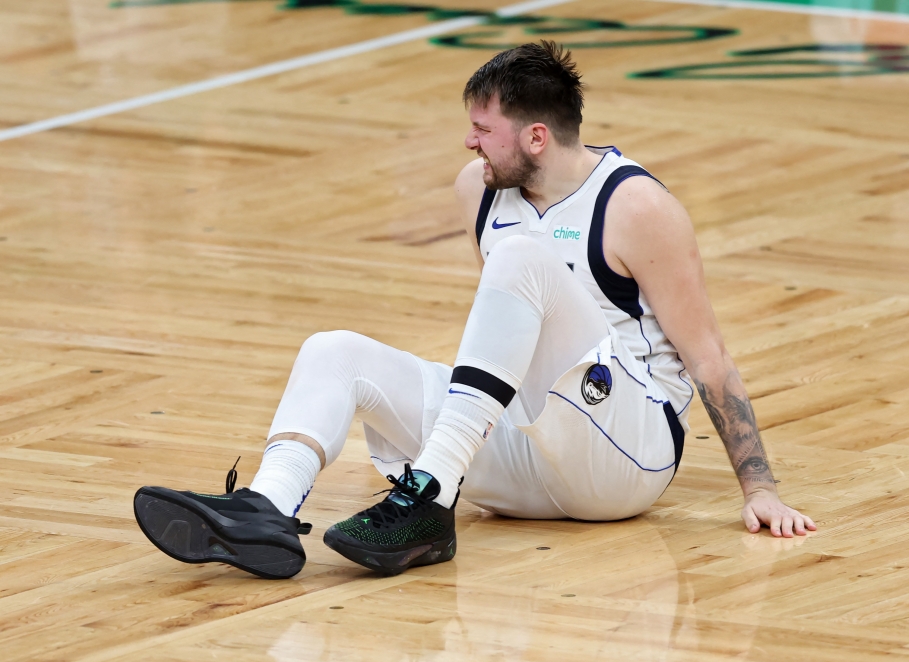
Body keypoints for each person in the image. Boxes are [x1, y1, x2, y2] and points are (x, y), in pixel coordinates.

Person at [133, 41, 816, 580]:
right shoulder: (478, 190)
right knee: (333, 349)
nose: (470, 143)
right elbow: (506, 341)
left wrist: (759, 489)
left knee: (524, 257)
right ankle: (268, 511)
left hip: (623, 458)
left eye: (483, 130)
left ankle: (429, 496)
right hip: (522, 459)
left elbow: (709, 357)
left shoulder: (638, 207)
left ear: (537, 138)